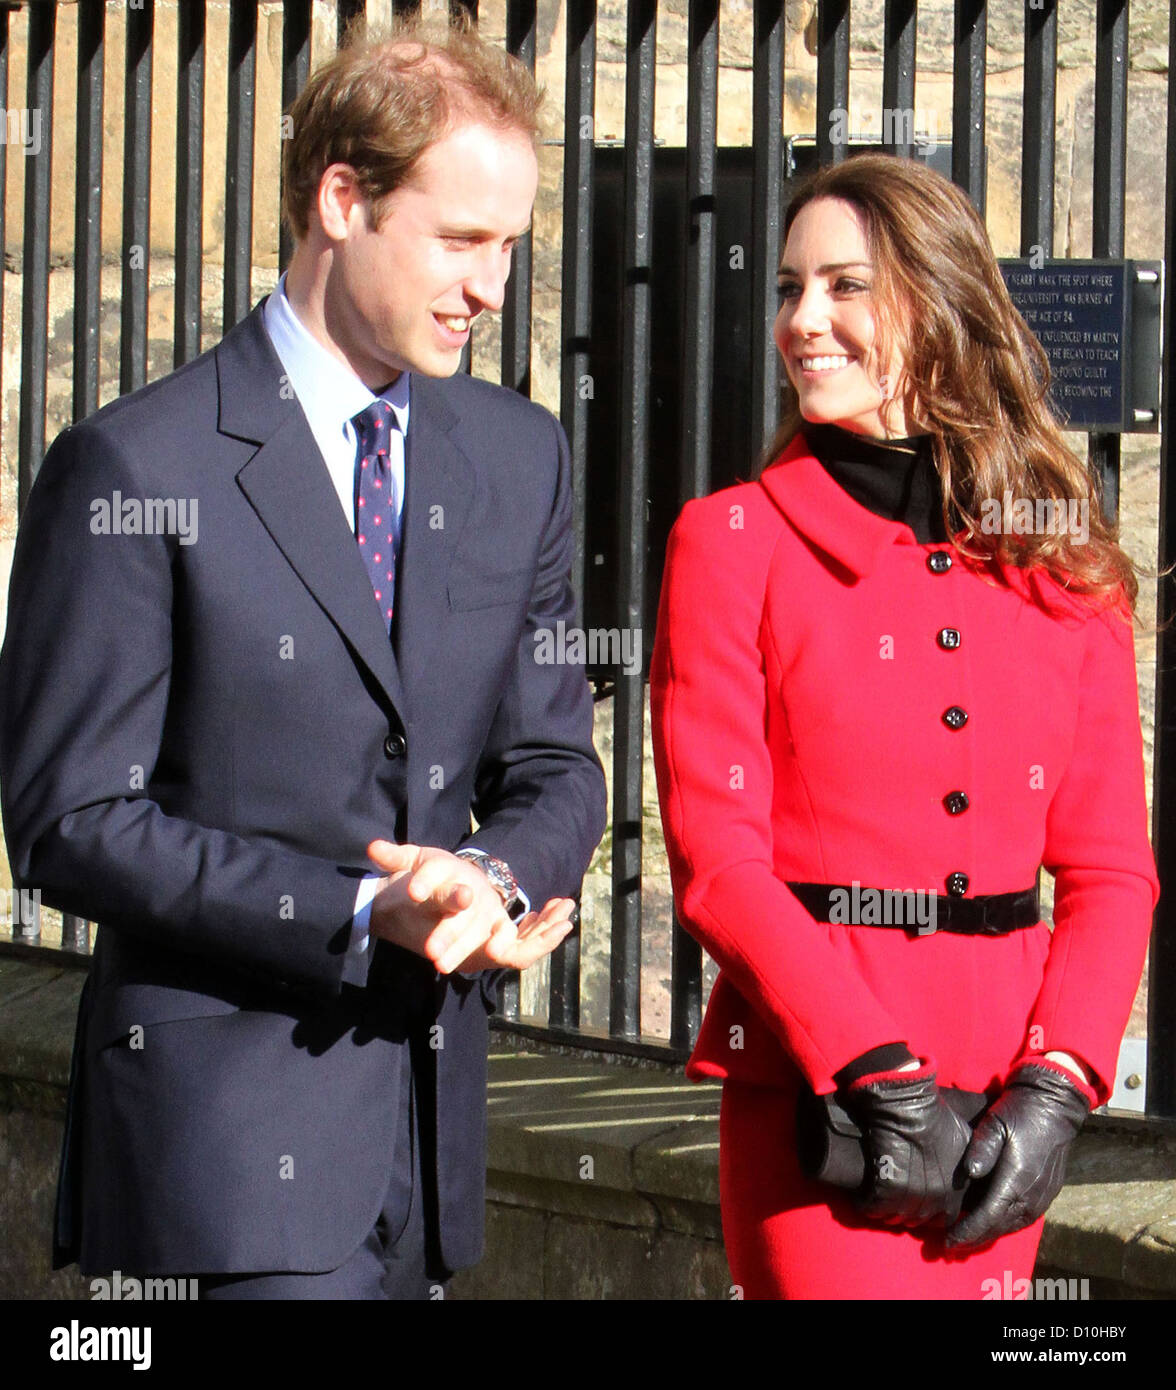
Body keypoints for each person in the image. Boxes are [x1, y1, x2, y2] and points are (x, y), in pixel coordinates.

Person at [0, 16, 606, 1300]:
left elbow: (558, 763)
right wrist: (350, 908)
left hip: (428, 1163)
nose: (491, 289)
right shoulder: (135, 468)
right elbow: (70, 821)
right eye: (460, 241)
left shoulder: (520, 456)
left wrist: (482, 880)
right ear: (342, 197)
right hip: (216, 1164)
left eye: (510, 246)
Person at [649, 153, 1159, 1299]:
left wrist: (1060, 1081)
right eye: (788, 289)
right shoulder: (730, 543)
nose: (802, 322)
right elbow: (719, 863)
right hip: (825, 1110)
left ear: (937, 305)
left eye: (844, 286)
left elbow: (1112, 870)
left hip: (1005, 1117)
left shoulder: (1065, 567)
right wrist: (876, 1069)